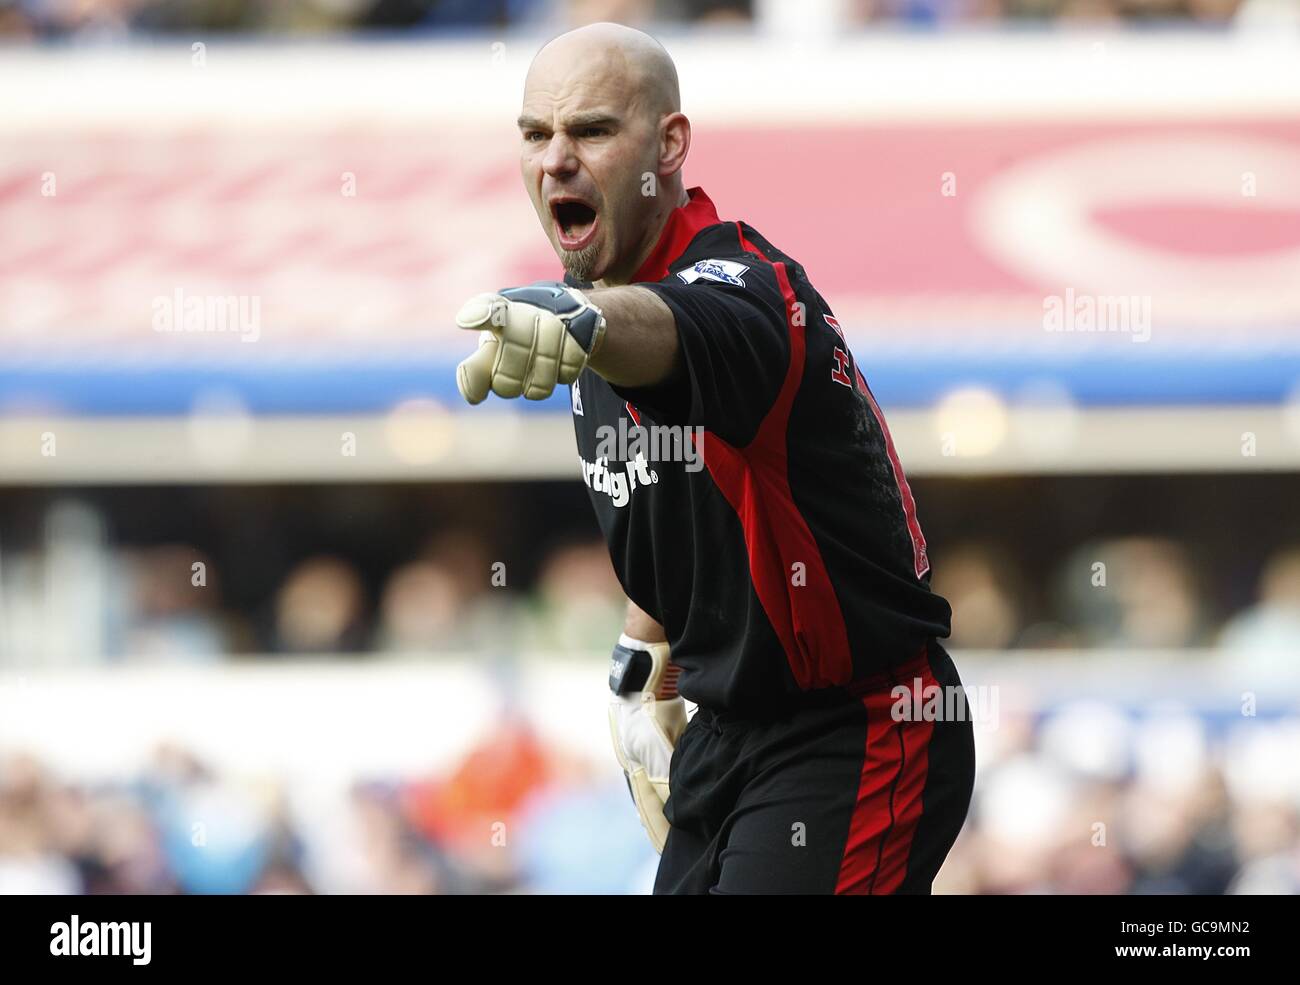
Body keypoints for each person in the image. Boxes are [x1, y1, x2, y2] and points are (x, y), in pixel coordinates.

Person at [453, 22, 974, 894]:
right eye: (535, 134)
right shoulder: (597, 313)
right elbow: (691, 506)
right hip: (728, 733)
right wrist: (639, 666)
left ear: (670, 144)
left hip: (859, 727)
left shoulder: (742, 288)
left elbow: (678, 333)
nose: (555, 160)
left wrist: (588, 325)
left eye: (591, 130)